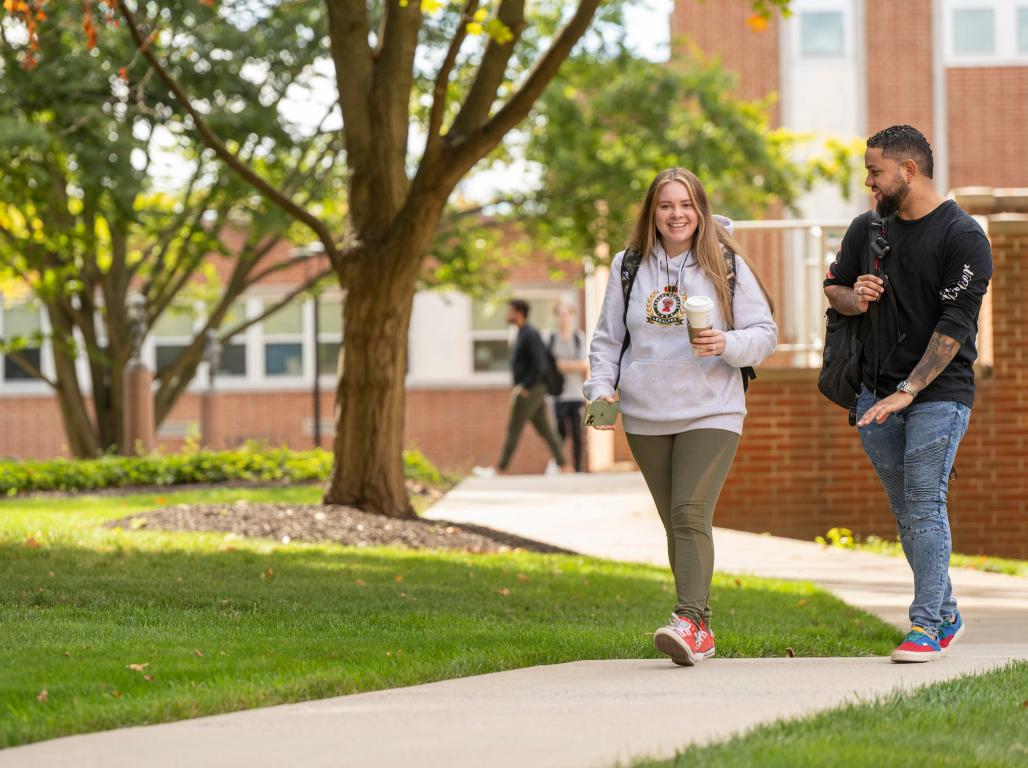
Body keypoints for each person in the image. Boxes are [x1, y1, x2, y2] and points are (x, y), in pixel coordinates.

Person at [583, 168, 777, 666]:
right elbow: (607, 340)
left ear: (701, 210)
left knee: (690, 512)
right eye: (667, 205)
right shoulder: (628, 266)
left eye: (686, 205)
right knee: (678, 524)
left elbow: (765, 332)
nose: (677, 215)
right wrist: (601, 390)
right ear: (653, 212)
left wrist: (727, 343)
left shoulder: (725, 261)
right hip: (647, 415)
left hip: (712, 408)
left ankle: (688, 619)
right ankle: (702, 629)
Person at [823, 125, 993, 663]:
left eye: (875, 171)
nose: (868, 181)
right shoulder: (866, 229)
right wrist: (855, 295)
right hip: (874, 394)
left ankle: (923, 628)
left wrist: (909, 390)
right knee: (907, 510)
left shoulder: (962, 236)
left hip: (939, 394)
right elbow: (834, 288)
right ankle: (946, 612)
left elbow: (955, 325)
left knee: (924, 500)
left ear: (908, 170)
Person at [473, 299, 567, 477]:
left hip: (531, 388)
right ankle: (565, 465)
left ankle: (500, 469)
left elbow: (540, 364)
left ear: (519, 313)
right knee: (545, 429)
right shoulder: (519, 333)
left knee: (513, 428)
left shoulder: (530, 334)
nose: (507, 315)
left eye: (509, 311)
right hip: (532, 388)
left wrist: (524, 386)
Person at [548, 303, 588, 473]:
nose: (563, 318)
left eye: (567, 314)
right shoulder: (550, 338)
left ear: (572, 316)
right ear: (556, 317)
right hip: (558, 394)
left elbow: (585, 365)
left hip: (577, 394)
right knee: (560, 433)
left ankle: (578, 469)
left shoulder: (579, 337)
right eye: (560, 314)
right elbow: (549, 366)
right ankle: (561, 466)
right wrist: (573, 365)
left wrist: (561, 364)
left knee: (578, 434)